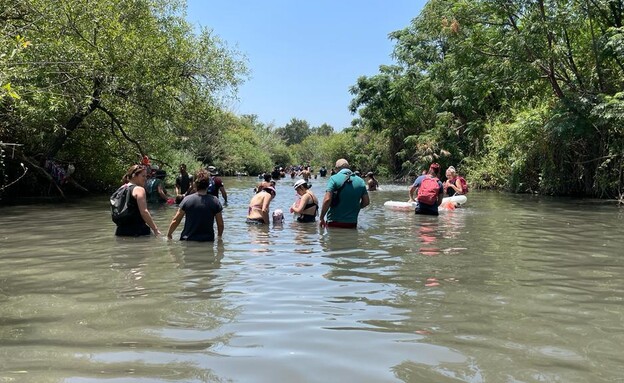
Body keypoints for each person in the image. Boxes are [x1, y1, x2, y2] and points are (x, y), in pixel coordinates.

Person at [167, 169, 224, 241]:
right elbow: (220, 224)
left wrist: (169, 234)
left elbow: (176, 220)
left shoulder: (187, 200)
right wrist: (219, 238)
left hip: (188, 240)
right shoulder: (215, 201)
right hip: (207, 240)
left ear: (195, 184)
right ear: (208, 184)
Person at [319, 158, 369, 228]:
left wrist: (321, 217)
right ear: (349, 167)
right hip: (352, 223)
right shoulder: (360, 181)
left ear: (337, 168)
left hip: (334, 222)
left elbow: (327, 200)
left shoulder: (333, 178)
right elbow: (366, 202)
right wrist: (356, 208)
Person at [114, 164, 161, 237]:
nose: (145, 179)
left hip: (120, 231)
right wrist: (155, 229)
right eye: (143, 176)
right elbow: (144, 212)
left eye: (146, 176)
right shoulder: (139, 189)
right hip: (138, 230)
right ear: (134, 176)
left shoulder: (121, 188)